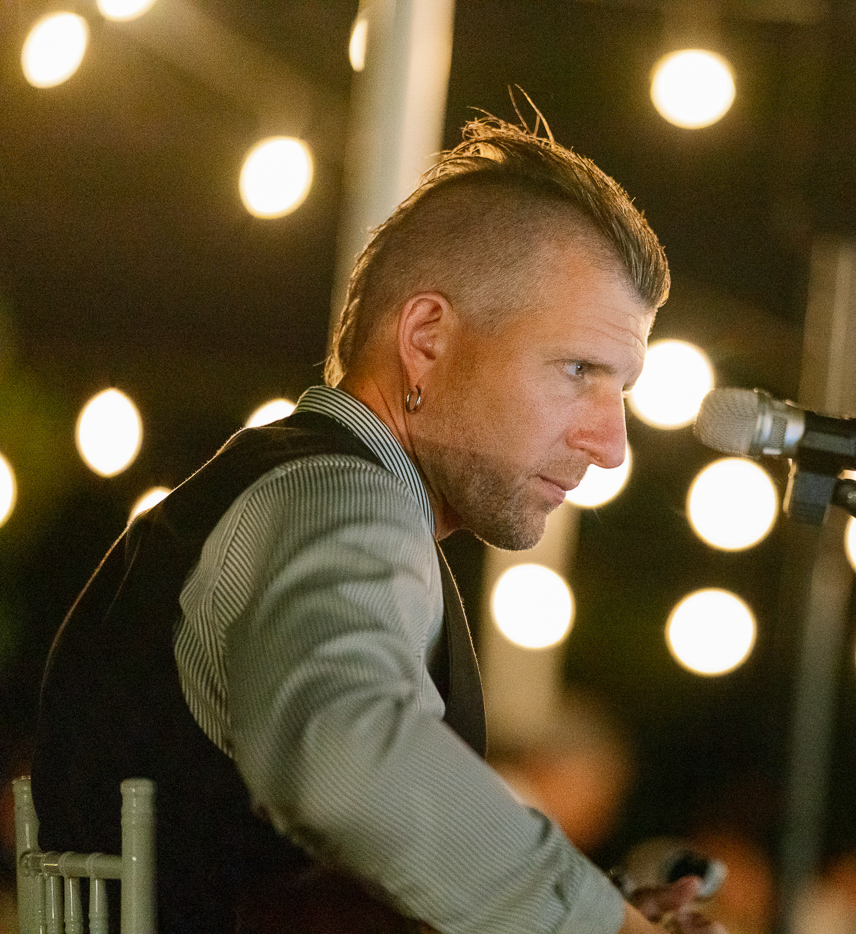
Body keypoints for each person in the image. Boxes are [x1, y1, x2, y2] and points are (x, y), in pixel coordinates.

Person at [31, 117, 720, 934]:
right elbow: (349, 757)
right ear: (426, 338)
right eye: (578, 370)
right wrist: (602, 927)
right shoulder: (340, 496)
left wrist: (596, 909)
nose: (610, 443)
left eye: (621, 391)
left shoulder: (308, 490)